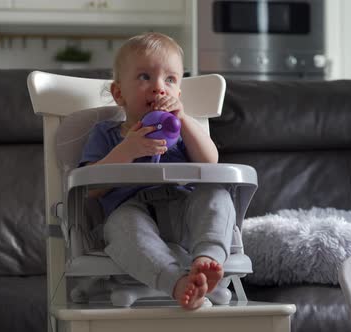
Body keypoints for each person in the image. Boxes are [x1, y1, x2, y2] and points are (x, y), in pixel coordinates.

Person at [79, 32, 236, 310]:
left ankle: (206, 260)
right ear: (119, 93)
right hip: (132, 212)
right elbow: (91, 187)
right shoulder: (106, 133)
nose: (159, 88)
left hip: (184, 213)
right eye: (144, 77)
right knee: (120, 225)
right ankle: (178, 283)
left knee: (216, 195)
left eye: (170, 79)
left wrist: (184, 120)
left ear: (178, 93)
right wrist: (127, 150)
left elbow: (211, 162)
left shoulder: (184, 131)